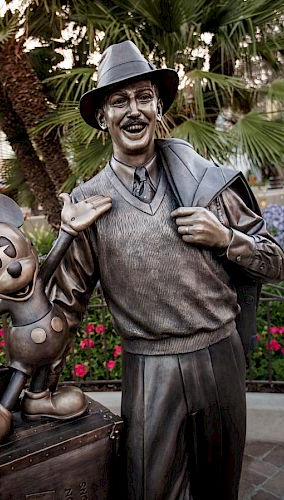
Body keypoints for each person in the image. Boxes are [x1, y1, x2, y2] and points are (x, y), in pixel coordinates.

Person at [49, 41, 284, 499]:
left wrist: (225, 238)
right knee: (149, 490)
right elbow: (64, 305)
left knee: (220, 488)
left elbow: (275, 261)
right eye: (119, 101)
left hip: (220, 356)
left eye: (142, 97)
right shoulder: (87, 205)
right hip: (149, 368)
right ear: (103, 117)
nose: (132, 110)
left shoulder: (206, 182)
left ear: (158, 106)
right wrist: (23, 374)